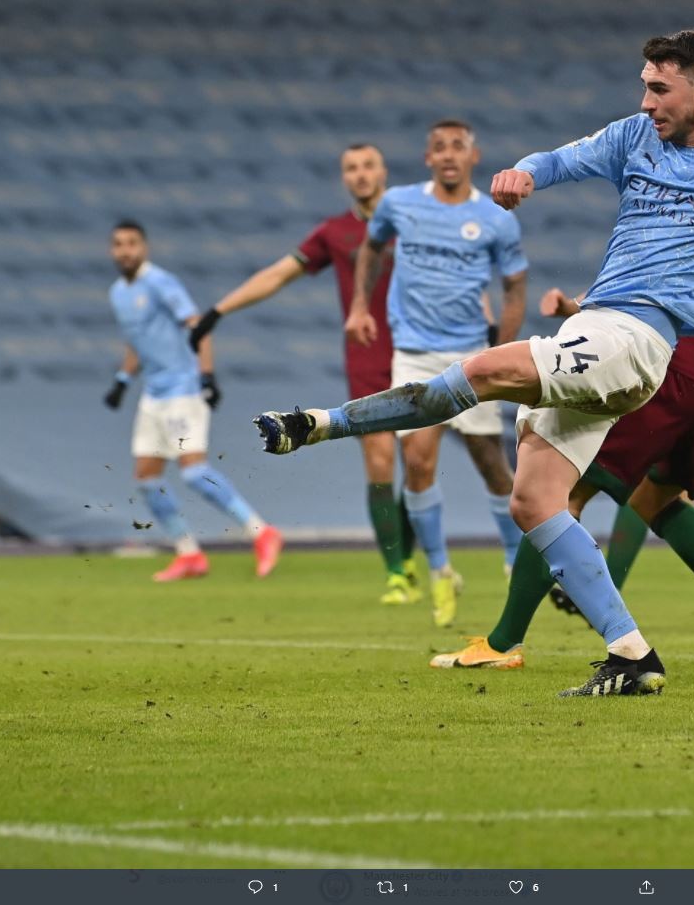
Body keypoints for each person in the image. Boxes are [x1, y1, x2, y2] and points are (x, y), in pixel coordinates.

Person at [255, 29, 694, 697]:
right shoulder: (633, 136)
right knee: (536, 499)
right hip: (599, 326)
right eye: (645, 87)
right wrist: (522, 175)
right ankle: (631, 653)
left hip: (637, 341)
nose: (647, 101)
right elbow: (561, 158)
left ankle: (316, 425)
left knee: (480, 374)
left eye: (660, 89)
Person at [429, 79, 694, 672]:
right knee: (657, 499)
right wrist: (583, 314)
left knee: (556, 493)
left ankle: (502, 643)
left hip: (682, 369)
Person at [188, 144, 419, 603]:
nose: (360, 174)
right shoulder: (335, 233)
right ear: (344, 178)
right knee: (379, 463)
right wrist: (218, 311)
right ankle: (396, 573)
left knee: (420, 468)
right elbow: (277, 274)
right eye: (351, 168)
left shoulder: (415, 218)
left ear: (383, 171)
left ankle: (410, 556)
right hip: (368, 359)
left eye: (368, 165)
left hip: (421, 353)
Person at [338, 120, 529, 627]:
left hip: (470, 356)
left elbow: (514, 285)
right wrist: (360, 306)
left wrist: (502, 342)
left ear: (473, 156)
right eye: (439, 147)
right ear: (428, 158)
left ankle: (514, 562)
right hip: (415, 354)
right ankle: (442, 571)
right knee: (417, 461)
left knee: (491, 463)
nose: (448, 155)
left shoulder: (495, 217)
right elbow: (371, 249)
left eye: (458, 147)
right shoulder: (399, 204)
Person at [103, 220, 283, 582]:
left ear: (144, 248)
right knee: (147, 479)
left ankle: (261, 532)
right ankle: (189, 554)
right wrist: (123, 380)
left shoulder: (161, 283)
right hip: (153, 395)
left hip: (183, 389)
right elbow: (136, 340)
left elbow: (197, 324)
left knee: (194, 471)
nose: (125, 250)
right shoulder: (118, 293)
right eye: (119, 244)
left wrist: (207, 376)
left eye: (132, 243)